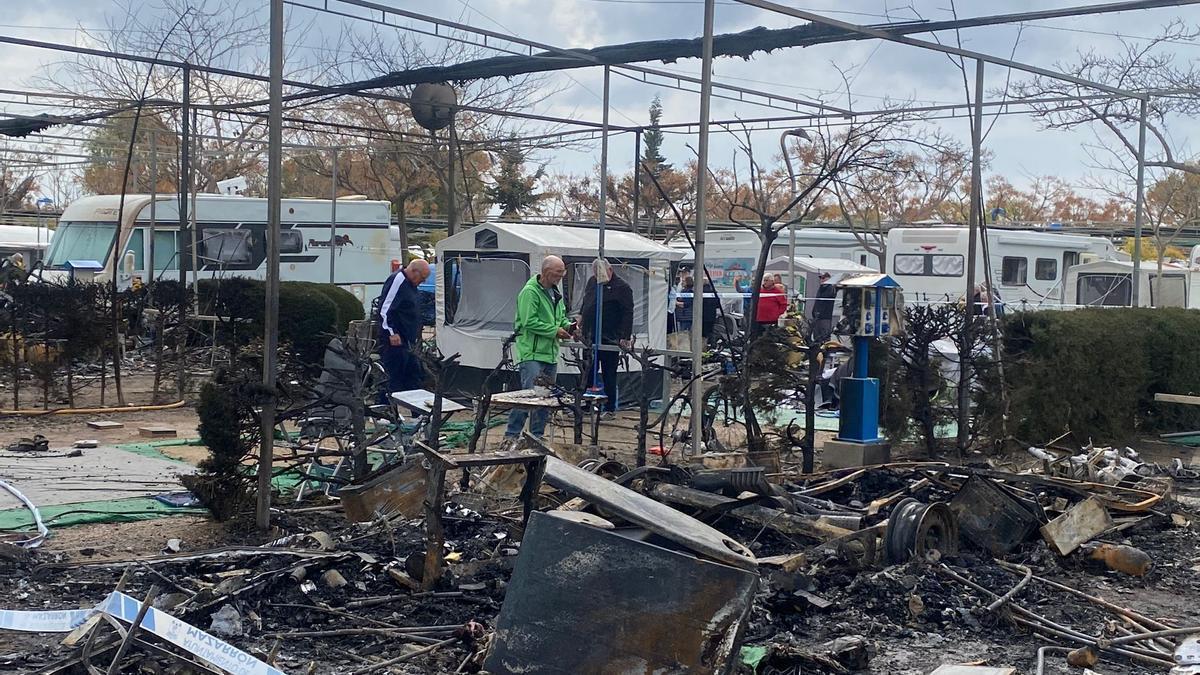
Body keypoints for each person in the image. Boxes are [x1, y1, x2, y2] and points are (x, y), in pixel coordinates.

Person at [505, 255, 574, 441]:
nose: (561, 276)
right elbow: (529, 322)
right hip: (532, 353)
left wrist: (569, 326)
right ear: (546, 271)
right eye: (558, 272)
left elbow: (560, 318)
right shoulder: (530, 292)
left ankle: (536, 436)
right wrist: (555, 331)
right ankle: (511, 434)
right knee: (530, 396)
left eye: (563, 272)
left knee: (545, 397)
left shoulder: (555, 293)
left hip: (550, 354)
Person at [580, 259, 634, 420]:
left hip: (610, 336)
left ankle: (609, 408)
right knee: (587, 370)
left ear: (610, 270)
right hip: (590, 335)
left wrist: (625, 336)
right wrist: (581, 317)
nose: (598, 277)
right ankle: (587, 404)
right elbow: (586, 302)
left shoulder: (622, 287)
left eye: (601, 273)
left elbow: (628, 312)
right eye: (595, 274)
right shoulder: (592, 282)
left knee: (609, 373)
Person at [377, 259, 432, 395]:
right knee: (392, 377)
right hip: (396, 339)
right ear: (414, 271)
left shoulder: (411, 285)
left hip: (409, 340)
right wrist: (391, 332)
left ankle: (416, 413)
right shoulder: (398, 280)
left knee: (413, 375)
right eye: (422, 278)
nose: (423, 282)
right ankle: (385, 410)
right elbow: (385, 308)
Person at [811, 272, 837, 344]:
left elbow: (829, 298)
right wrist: (814, 313)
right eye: (821, 278)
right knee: (816, 338)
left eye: (823, 278)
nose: (821, 280)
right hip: (817, 318)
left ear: (829, 279)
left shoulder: (831, 289)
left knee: (825, 337)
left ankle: (825, 354)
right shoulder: (820, 288)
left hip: (825, 318)